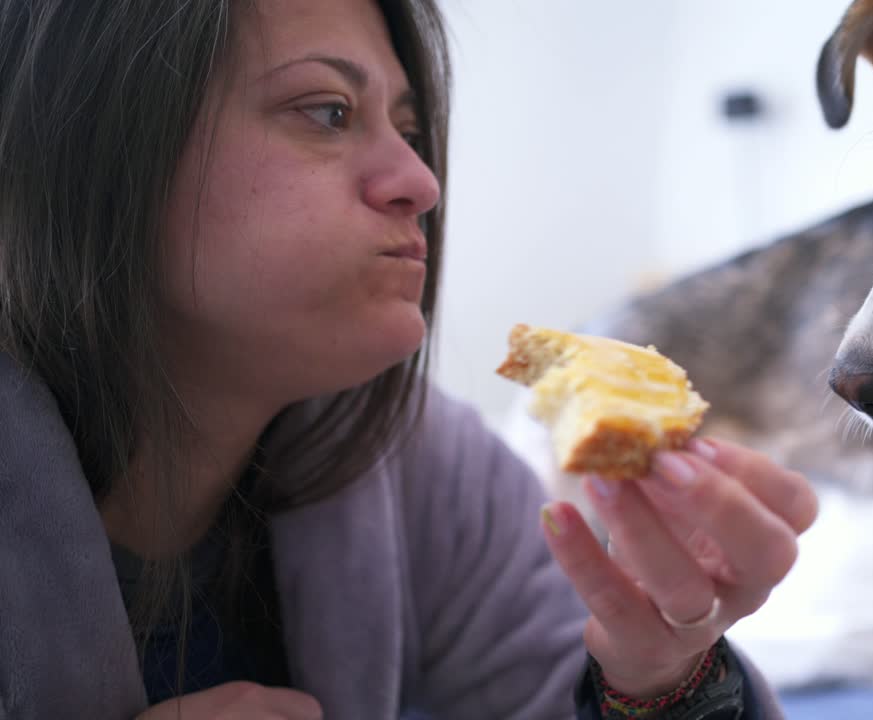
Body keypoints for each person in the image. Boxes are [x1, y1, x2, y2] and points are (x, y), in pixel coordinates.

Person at [0, 1, 819, 718]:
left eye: (413, 131)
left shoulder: (428, 465)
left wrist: (666, 682)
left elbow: (566, 690)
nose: (421, 182)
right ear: (89, 144)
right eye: (327, 111)